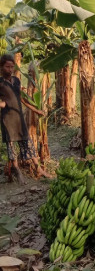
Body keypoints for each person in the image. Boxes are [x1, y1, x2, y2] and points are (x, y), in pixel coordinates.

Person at [0, 54, 50, 183]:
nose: (10, 70)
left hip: (19, 117)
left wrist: (35, 110)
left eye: (12, 67)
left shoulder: (16, 80)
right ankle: (17, 171)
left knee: (28, 143)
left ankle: (38, 169)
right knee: (11, 147)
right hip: (7, 119)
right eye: (7, 67)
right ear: (1, 67)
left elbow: (21, 98)